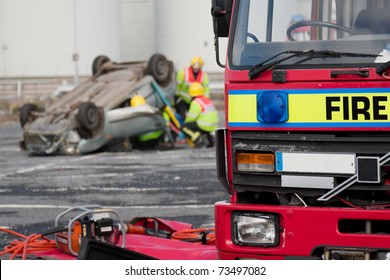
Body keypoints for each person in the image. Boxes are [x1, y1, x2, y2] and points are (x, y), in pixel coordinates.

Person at [181, 82, 218, 148]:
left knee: (184, 127)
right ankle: (209, 139)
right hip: (213, 126)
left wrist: (185, 122)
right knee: (198, 125)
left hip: (204, 125)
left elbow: (191, 118)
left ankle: (197, 139)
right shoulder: (206, 99)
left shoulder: (196, 102)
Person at [175, 56, 210, 121]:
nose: (195, 69)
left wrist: (205, 100)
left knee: (194, 117)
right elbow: (177, 85)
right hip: (182, 98)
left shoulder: (204, 75)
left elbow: (206, 89)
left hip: (195, 100)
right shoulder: (183, 72)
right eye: (194, 67)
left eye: (197, 68)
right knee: (182, 116)